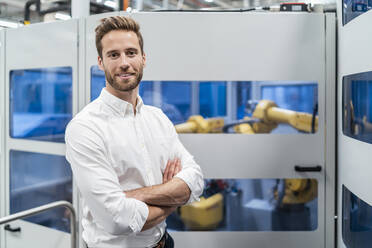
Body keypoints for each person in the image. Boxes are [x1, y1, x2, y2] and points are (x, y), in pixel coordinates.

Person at [65, 16, 204, 248]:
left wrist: (132, 196)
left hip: (164, 242)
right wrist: (173, 198)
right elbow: (115, 219)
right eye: (113, 55)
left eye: (131, 53)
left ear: (143, 58)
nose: (124, 63)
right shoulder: (85, 128)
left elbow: (195, 181)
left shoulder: (157, 118)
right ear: (100, 62)